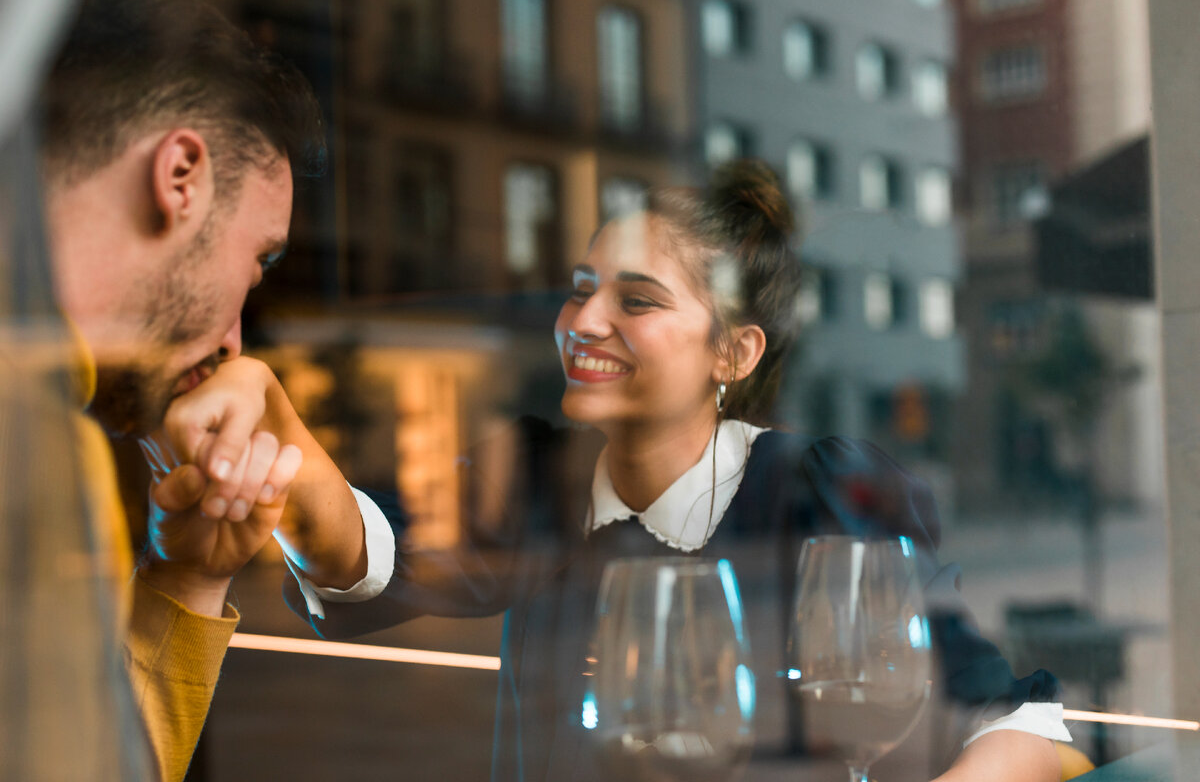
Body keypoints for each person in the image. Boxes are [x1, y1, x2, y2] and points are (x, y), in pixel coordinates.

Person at [168, 161, 1072, 780]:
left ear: (733, 352)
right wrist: (275, 426)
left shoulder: (819, 493)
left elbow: (1026, 727)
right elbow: (367, 552)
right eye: (580, 285)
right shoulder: (536, 477)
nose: (583, 320)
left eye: (635, 299)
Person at [31, 0, 328, 779]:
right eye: (258, 261)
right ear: (182, 175)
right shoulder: (33, 445)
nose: (235, 338)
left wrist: (191, 579)